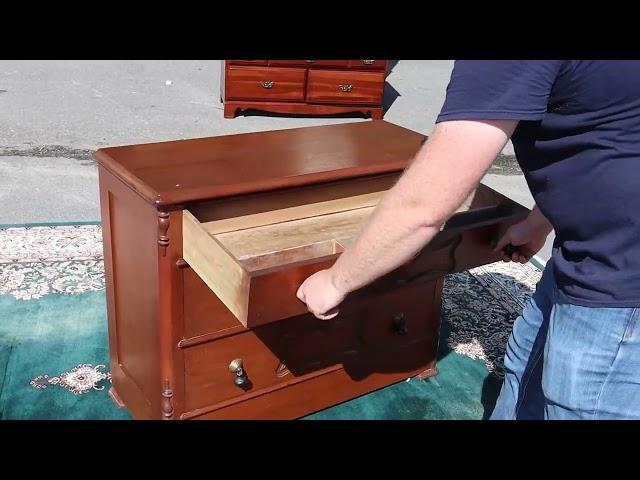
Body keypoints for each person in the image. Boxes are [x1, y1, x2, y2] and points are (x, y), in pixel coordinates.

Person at [296, 60, 640, 420]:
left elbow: (423, 207)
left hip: (622, 271)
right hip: (602, 242)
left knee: (583, 399)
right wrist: (540, 221)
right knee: (526, 359)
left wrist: (336, 280)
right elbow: (612, 129)